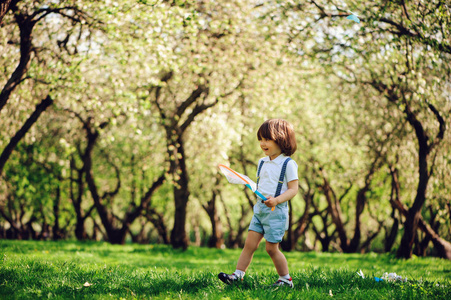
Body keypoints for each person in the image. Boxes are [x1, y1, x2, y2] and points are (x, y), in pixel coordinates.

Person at [218, 119, 299, 288]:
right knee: (249, 244)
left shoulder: (288, 163)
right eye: (260, 139)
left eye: (267, 139)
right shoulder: (262, 162)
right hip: (260, 209)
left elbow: (293, 189)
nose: (262, 143)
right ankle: (237, 275)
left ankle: (285, 279)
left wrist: (276, 200)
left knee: (271, 249)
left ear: (282, 139)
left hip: (276, 211)